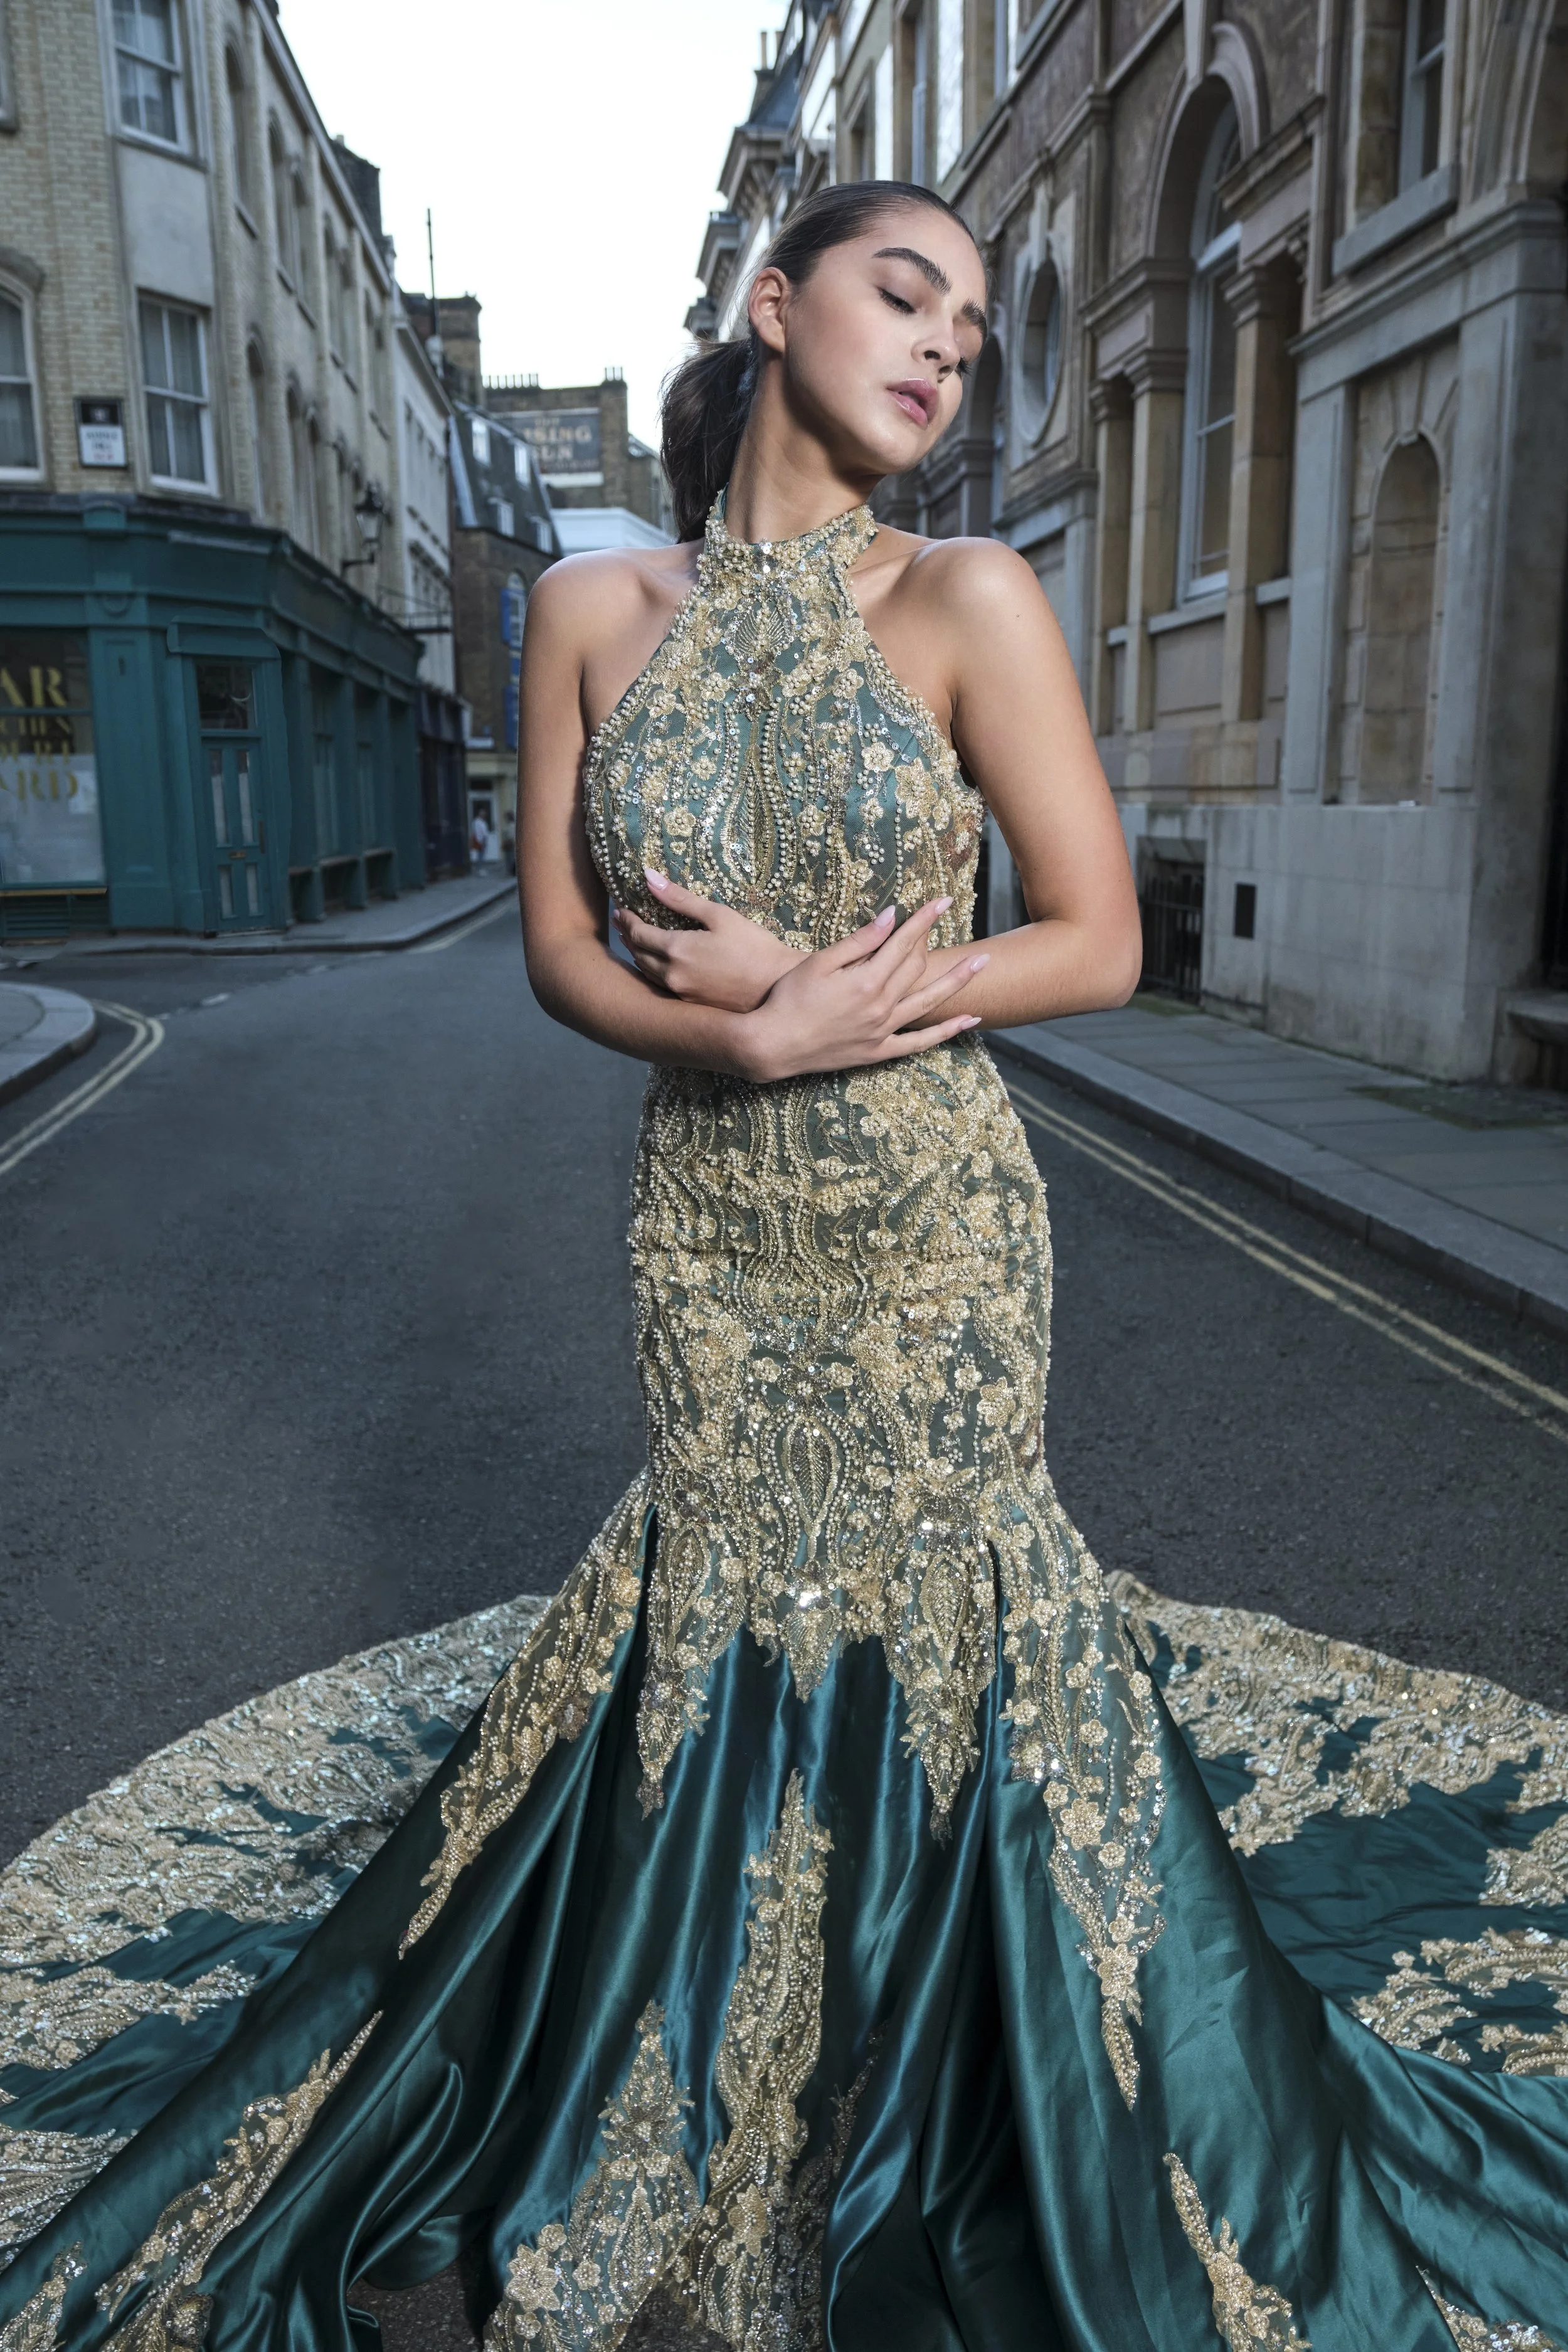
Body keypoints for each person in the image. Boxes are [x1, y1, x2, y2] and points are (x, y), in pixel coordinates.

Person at [1, 180, 1565, 2352]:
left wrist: (839, 1001)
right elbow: (559, 949)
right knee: (728, 1595)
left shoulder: (968, 594)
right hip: (711, 1224)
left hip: (930, 1226)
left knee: (937, 1609)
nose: (945, 349)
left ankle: (953, 2081)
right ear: (773, 301)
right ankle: (699, 2066)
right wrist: (738, 1033)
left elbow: (1098, 938)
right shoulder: (584, 608)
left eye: (974, 331)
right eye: (901, 293)